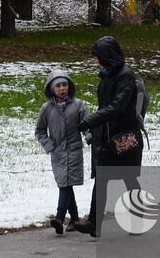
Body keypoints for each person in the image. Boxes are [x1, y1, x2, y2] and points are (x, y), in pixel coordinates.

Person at [75, 35, 143, 238]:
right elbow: (106, 106)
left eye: (98, 56)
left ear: (107, 56)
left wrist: (90, 121)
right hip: (109, 135)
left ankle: (137, 221)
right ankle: (95, 224)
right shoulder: (108, 74)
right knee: (103, 178)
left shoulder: (124, 76)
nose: (96, 60)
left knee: (129, 179)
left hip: (125, 137)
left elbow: (116, 107)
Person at [34, 70, 88, 235]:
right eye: (58, 85)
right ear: (51, 89)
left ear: (69, 86)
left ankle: (59, 217)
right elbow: (40, 131)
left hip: (74, 151)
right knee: (65, 183)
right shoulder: (47, 108)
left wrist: (90, 137)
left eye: (64, 85)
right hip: (57, 152)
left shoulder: (78, 105)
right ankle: (75, 219)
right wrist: (49, 146)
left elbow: (87, 124)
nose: (62, 88)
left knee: (65, 184)